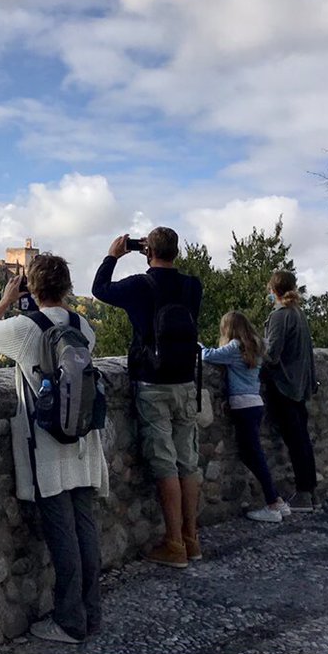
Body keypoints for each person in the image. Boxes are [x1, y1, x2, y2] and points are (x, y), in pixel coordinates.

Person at [0, 254, 106, 645]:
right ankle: (91, 613)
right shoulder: (84, 327)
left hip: (47, 446)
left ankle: (69, 622)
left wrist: (4, 302)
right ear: (67, 286)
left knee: (62, 535)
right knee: (86, 529)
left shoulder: (25, 329)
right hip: (84, 441)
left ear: (32, 287)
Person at [92, 227, 203, 568]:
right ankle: (192, 539)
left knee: (165, 463)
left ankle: (173, 544)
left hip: (153, 382)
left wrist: (113, 255)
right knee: (188, 461)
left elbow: (100, 289)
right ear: (177, 252)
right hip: (187, 380)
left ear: (148, 251)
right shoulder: (192, 286)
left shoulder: (141, 285)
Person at [201, 311, 289, 523]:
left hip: (242, 405)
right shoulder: (257, 346)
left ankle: (273, 502)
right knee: (254, 453)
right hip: (255, 403)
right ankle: (277, 500)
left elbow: (208, 356)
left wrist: (198, 346)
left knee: (253, 455)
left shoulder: (234, 347)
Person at [263, 269, 320, 512]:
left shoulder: (280, 315)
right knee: (302, 440)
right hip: (300, 384)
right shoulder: (298, 313)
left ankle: (304, 494)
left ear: (272, 289)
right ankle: (309, 491)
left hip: (284, 385)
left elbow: (272, 354)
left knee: (296, 440)